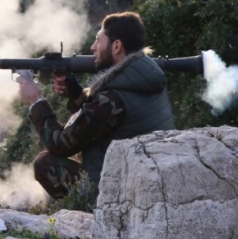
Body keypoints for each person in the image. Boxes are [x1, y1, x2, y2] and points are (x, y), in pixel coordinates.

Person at [17, 11, 176, 199]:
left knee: (45, 164)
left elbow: (60, 144)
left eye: (98, 40)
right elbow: (101, 120)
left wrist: (36, 101)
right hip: (147, 181)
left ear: (116, 46)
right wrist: (76, 94)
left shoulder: (112, 99)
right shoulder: (144, 76)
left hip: (121, 192)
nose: (93, 47)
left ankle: (85, 217)